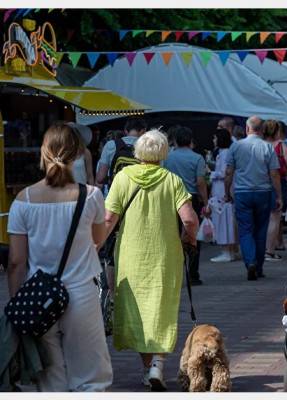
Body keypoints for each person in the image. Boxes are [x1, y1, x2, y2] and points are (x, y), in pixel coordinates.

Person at [7, 122, 112, 391]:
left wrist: (17, 302)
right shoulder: (91, 196)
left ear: (43, 153)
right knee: (90, 376)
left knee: (50, 376)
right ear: (78, 154)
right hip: (82, 294)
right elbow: (97, 240)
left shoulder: (23, 200)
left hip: (39, 297)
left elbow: (17, 262)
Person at [104, 130, 199, 391]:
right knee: (161, 308)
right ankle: (157, 363)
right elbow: (190, 219)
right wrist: (189, 239)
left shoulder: (123, 178)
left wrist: (94, 245)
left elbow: (108, 219)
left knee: (137, 310)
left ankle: (148, 369)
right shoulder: (172, 180)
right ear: (164, 152)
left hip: (131, 255)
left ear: (137, 153)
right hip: (165, 255)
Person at [225, 116, 282, 280]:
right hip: (263, 192)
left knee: (245, 230)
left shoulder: (235, 146)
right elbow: (274, 174)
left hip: (242, 192)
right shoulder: (267, 147)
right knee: (261, 230)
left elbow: (228, 172)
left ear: (247, 128)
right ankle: (259, 266)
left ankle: (250, 261)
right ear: (262, 129)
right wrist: (278, 195)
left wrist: (226, 190)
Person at [163, 126, 209, 285]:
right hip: (191, 199)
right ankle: (193, 274)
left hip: (171, 199)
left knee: (172, 236)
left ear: (175, 140)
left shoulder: (167, 158)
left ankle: (174, 273)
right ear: (190, 141)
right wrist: (206, 201)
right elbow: (201, 182)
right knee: (193, 236)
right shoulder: (197, 158)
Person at [263, 120, 287, 261]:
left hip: (258, 183)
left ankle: (261, 249)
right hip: (276, 182)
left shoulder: (259, 145)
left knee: (261, 219)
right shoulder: (280, 146)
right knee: (274, 217)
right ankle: (270, 250)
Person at [208, 129, 237, 262]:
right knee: (226, 220)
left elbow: (224, 172)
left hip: (221, 191)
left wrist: (211, 173)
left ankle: (227, 251)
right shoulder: (224, 153)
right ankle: (230, 250)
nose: (213, 140)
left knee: (223, 220)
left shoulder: (224, 153)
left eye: (215, 138)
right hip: (221, 190)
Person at [95, 117, 147, 188]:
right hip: (138, 195)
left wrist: (112, 178)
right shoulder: (147, 148)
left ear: (125, 131)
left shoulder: (111, 145)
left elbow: (100, 178)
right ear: (143, 131)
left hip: (116, 193)